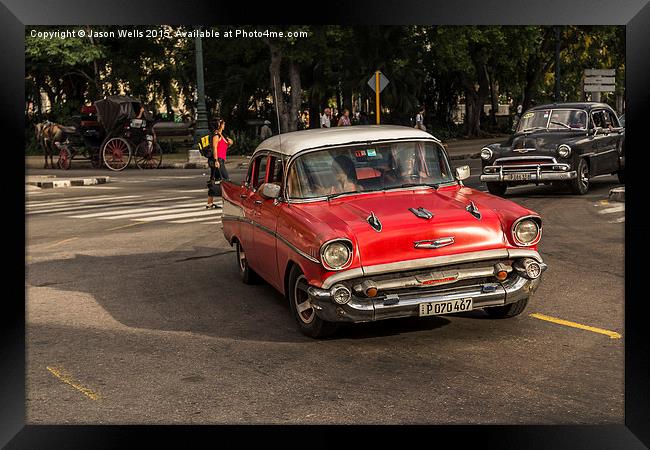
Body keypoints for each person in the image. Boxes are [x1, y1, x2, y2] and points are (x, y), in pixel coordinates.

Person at [206, 118, 233, 209]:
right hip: (217, 161)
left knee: (214, 180)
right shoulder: (216, 135)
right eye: (223, 124)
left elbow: (223, 147)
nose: (224, 125)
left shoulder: (222, 135)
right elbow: (214, 148)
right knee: (226, 181)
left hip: (220, 160)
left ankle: (209, 203)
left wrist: (229, 143)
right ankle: (226, 203)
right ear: (219, 125)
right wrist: (216, 161)